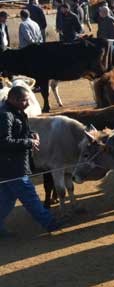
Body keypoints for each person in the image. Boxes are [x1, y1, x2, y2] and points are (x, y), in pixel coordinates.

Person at [0, 86, 65, 238]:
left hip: (10, 165)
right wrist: (28, 142)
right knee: (30, 196)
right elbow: (3, 142)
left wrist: (32, 134)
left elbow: (20, 132)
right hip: (12, 166)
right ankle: (50, 223)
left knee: (6, 199)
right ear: (14, 99)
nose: (28, 104)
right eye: (25, 100)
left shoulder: (14, 111)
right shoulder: (5, 115)